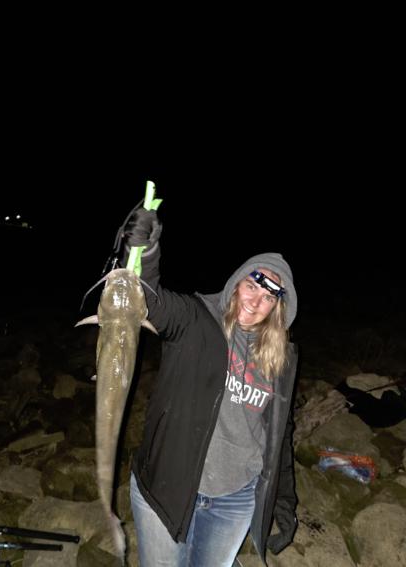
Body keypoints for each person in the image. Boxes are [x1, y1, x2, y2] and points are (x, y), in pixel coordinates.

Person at [122, 208, 299, 567]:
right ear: (236, 284)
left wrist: (283, 504)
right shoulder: (195, 320)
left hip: (235, 499)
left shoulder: (282, 358)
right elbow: (149, 300)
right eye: (252, 286)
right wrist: (143, 250)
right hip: (167, 486)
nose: (256, 302)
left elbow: (279, 436)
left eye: (268, 298)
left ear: (278, 307)